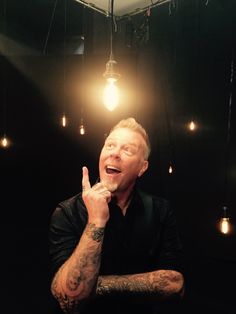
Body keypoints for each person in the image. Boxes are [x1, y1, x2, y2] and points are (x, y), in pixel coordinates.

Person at [49, 117, 184, 314]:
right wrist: (96, 220)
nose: (115, 153)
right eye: (110, 145)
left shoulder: (160, 210)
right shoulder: (67, 212)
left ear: (142, 168)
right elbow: (69, 298)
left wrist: (94, 286)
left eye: (127, 149)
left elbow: (174, 284)